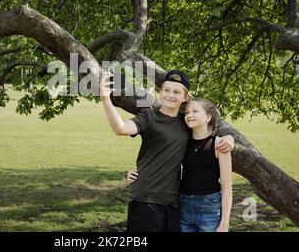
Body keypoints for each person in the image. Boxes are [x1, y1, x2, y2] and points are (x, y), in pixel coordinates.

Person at [100, 69, 234, 232]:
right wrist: (106, 99)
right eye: (166, 90)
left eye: (176, 92)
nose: (171, 95)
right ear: (160, 92)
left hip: (174, 202)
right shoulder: (148, 116)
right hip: (146, 197)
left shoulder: (186, 122)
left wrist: (229, 139)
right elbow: (121, 128)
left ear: (185, 97)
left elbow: (206, 131)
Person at [127, 97, 233, 232]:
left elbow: (227, 187)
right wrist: (136, 171)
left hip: (209, 207)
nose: (189, 115)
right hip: (183, 204)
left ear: (208, 117)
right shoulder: (183, 140)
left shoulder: (219, 145)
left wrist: (225, 222)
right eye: (187, 112)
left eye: (195, 111)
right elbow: (160, 159)